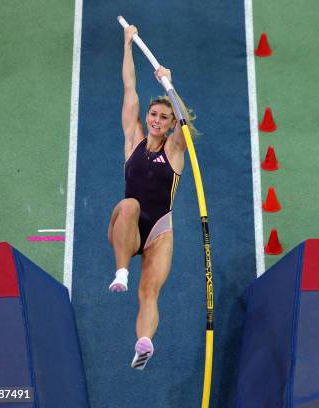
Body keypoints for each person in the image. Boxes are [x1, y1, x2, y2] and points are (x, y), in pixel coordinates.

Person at [107, 24, 194, 370]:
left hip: (159, 233)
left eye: (164, 116)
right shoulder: (134, 140)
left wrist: (170, 88)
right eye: (153, 114)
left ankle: (144, 345)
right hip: (125, 229)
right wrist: (128, 44)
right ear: (147, 117)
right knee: (130, 204)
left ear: (170, 122)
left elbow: (186, 121)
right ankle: (121, 271)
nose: (157, 119)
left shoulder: (174, 150)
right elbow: (129, 87)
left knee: (149, 293)